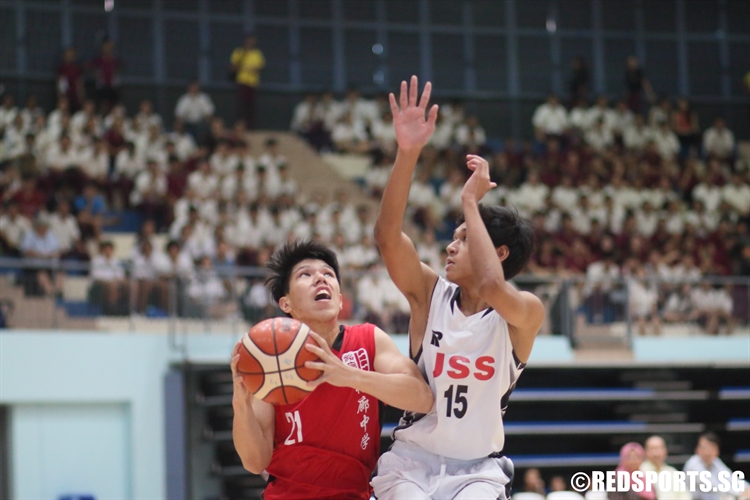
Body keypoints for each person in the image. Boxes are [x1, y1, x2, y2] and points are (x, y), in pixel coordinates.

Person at [371, 76, 544, 499]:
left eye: (464, 237)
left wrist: (472, 203)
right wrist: (408, 153)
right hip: (412, 461)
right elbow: (387, 237)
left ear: (498, 252)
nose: (451, 244)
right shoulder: (430, 295)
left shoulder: (525, 312)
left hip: (477, 471)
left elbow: (491, 284)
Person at [230, 240, 433, 499]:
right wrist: (240, 402)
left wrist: (348, 375)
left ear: (339, 301)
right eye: (305, 274)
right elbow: (254, 462)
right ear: (286, 304)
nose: (320, 279)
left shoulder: (369, 339)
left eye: (328, 274)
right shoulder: (270, 360)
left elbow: (422, 398)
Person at [683, 432, 750, 500]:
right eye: (703, 448)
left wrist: (747, 487)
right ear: (697, 449)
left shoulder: (715, 461)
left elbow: (730, 478)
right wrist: (739, 492)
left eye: (710, 448)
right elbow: (714, 485)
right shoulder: (692, 465)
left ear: (717, 451)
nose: (707, 452)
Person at [230, 33, 265, 129]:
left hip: (253, 83)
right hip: (242, 82)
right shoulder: (239, 52)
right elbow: (234, 67)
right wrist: (246, 66)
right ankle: (240, 126)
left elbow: (258, 68)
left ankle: (250, 127)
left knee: (251, 107)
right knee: (241, 106)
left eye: (252, 40)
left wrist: (245, 68)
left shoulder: (257, 54)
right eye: (248, 40)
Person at [640, 435, 691, 500]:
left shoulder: (672, 472)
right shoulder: (640, 471)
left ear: (665, 451)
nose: (656, 453)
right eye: (652, 449)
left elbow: (685, 496)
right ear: (645, 452)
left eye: (658, 448)